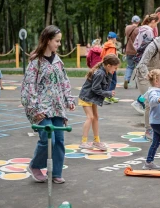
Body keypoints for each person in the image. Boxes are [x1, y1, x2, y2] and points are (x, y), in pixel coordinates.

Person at [21, 25, 76, 183]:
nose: (59, 44)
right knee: (47, 139)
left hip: (57, 106)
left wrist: (69, 99)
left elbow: (64, 82)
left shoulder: (58, 61)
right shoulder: (35, 63)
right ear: (47, 40)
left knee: (59, 140)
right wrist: (34, 108)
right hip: (40, 108)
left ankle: (56, 173)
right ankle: (36, 166)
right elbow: (29, 86)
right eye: (57, 41)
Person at [79, 54, 120, 150]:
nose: (115, 70)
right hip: (86, 97)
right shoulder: (100, 73)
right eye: (115, 68)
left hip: (92, 97)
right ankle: (83, 142)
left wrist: (108, 91)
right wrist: (107, 93)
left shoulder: (107, 72)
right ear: (109, 65)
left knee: (96, 117)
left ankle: (96, 141)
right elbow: (95, 88)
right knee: (90, 117)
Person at [131, 13, 159, 114]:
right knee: (151, 84)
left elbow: (135, 44)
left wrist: (139, 51)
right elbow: (151, 46)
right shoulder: (149, 31)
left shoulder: (141, 29)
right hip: (147, 59)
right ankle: (140, 102)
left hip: (140, 58)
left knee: (149, 83)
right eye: (157, 23)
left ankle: (141, 102)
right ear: (153, 21)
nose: (156, 25)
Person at [100, 32, 118, 104]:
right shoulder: (112, 46)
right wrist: (113, 67)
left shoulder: (105, 45)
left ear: (108, 38)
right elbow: (111, 57)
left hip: (105, 65)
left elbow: (102, 55)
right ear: (114, 39)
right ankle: (108, 96)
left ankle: (110, 96)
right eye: (115, 38)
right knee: (112, 81)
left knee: (109, 81)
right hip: (111, 66)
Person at [123, 15, 141, 89]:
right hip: (136, 51)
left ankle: (127, 79)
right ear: (138, 22)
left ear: (132, 21)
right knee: (138, 67)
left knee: (130, 66)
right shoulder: (139, 30)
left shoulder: (127, 28)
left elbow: (126, 38)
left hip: (128, 50)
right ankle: (138, 83)